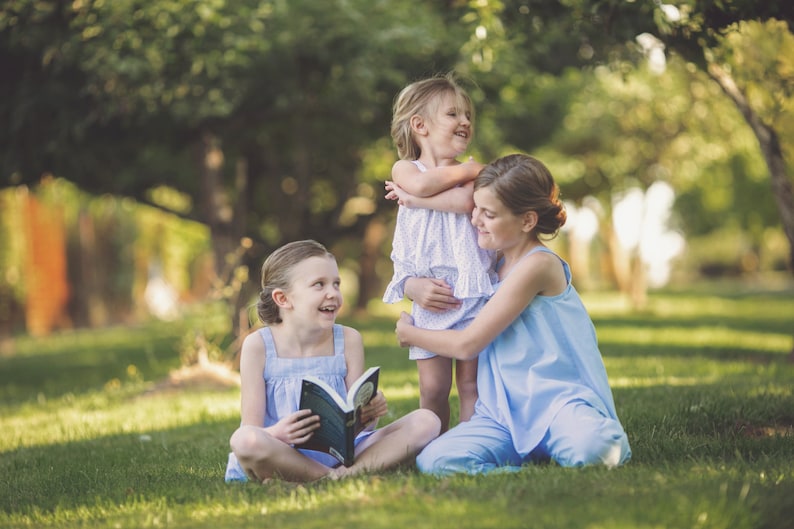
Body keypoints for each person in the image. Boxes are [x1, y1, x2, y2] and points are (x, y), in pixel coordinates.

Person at [395, 154, 632, 475]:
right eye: (475, 208)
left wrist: (410, 334)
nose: (475, 219)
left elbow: (468, 344)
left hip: (557, 406)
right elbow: (436, 267)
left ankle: (557, 445)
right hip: (502, 414)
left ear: (527, 221)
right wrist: (411, 284)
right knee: (435, 459)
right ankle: (528, 469)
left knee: (596, 450)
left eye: (489, 214)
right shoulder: (490, 265)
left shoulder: (538, 265)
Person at [226, 240, 440, 483]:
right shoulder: (258, 346)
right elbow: (251, 428)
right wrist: (279, 434)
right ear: (283, 298)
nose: (333, 293)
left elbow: (357, 427)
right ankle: (338, 476)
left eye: (336, 283)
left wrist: (370, 413)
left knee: (427, 420)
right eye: (319, 284)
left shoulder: (348, 339)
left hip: (344, 455)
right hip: (283, 452)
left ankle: (333, 477)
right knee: (242, 440)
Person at [382, 73, 496, 433]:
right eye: (453, 114)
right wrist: (421, 191)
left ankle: (468, 445)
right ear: (420, 125)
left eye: (467, 116)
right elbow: (419, 183)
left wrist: (415, 201)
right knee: (432, 388)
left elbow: (464, 201)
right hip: (430, 294)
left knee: (470, 385)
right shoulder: (405, 169)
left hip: (472, 291)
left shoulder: (471, 173)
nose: (464, 121)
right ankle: (431, 444)